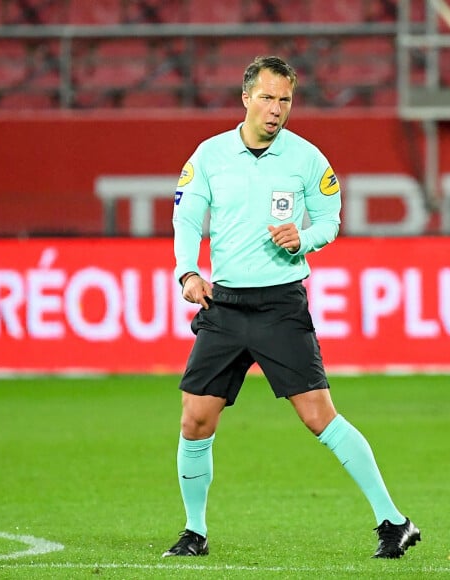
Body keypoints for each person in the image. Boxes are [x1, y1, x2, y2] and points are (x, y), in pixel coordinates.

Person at [163, 56, 420, 560]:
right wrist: (188, 271)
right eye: (267, 97)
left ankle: (394, 521)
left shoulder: (306, 158)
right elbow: (187, 219)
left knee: (320, 417)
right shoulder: (210, 155)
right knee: (195, 420)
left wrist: (303, 238)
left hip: (281, 303)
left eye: (284, 99)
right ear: (245, 98)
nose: (276, 109)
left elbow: (330, 219)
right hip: (225, 303)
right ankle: (195, 531)